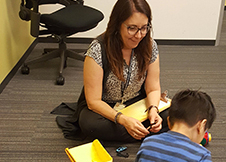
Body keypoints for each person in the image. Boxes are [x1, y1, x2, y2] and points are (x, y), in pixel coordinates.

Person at [52, 0, 168, 142]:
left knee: (171, 113)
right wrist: (123, 120)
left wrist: (153, 110)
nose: (139, 35)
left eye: (144, 28)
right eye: (132, 28)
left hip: (136, 102)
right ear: (118, 24)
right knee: (90, 124)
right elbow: (93, 101)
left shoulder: (150, 46)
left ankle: (136, 131)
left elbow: (153, 88)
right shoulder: (98, 49)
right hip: (105, 107)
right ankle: (142, 131)